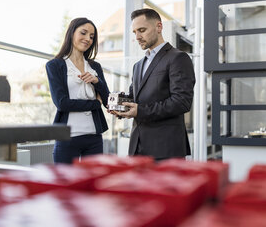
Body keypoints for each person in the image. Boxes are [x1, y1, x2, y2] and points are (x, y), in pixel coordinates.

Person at [110, 8, 195, 160]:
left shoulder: (178, 58)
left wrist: (140, 111)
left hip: (166, 149)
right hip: (137, 147)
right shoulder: (138, 65)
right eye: (135, 32)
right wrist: (121, 107)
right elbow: (134, 98)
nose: (137, 37)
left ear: (159, 27)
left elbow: (182, 102)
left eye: (142, 30)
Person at [46, 17, 110, 164]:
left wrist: (97, 82)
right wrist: (95, 104)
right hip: (67, 137)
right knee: (65, 184)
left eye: (92, 37)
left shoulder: (95, 67)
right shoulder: (55, 65)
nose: (88, 39)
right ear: (72, 33)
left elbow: (107, 101)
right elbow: (62, 103)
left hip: (94, 137)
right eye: (83, 33)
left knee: (93, 183)